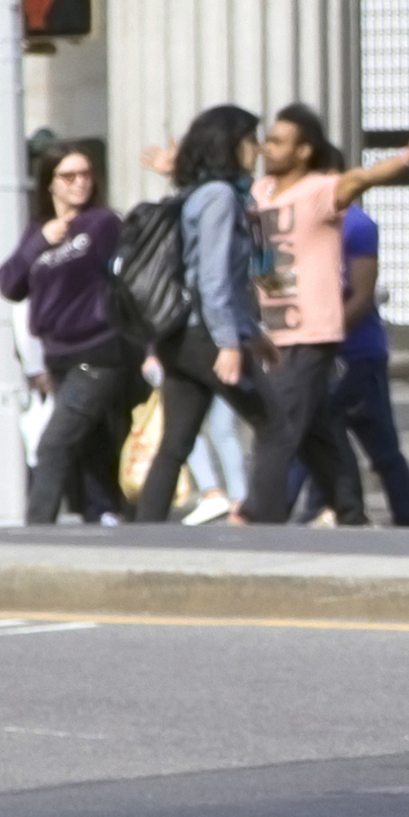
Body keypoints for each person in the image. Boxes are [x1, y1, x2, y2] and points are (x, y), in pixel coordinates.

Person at [243, 103, 409, 527]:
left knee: (277, 427)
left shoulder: (321, 192)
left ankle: (259, 518)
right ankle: (351, 512)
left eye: (278, 141)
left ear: (303, 151)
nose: (268, 147)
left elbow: (364, 177)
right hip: (275, 331)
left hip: (311, 332)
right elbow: (262, 258)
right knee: (318, 432)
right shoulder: (259, 192)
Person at [130, 105, 267, 525]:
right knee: (279, 422)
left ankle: (144, 536)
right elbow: (213, 277)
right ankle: (261, 515)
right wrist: (230, 341)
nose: (257, 149)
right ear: (228, 145)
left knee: (176, 442)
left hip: (178, 336)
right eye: (250, 140)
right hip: (203, 335)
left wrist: (254, 334)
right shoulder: (220, 197)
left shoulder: (197, 193)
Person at [4, 144, 135, 526]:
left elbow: (124, 274)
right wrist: (39, 242)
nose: (80, 183)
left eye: (85, 175)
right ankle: (105, 514)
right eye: (68, 176)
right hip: (57, 354)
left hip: (97, 350)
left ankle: (36, 528)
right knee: (89, 445)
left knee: (54, 444)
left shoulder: (102, 224)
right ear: (50, 183)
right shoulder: (38, 232)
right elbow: (10, 284)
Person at [326, 173, 409, 527]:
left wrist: (329, 336)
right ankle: (340, 510)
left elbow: (362, 298)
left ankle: (405, 515)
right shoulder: (304, 225)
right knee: (319, 436)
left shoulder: (358, 226)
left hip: (358, 353)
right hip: (317, 356)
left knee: (380, 443)